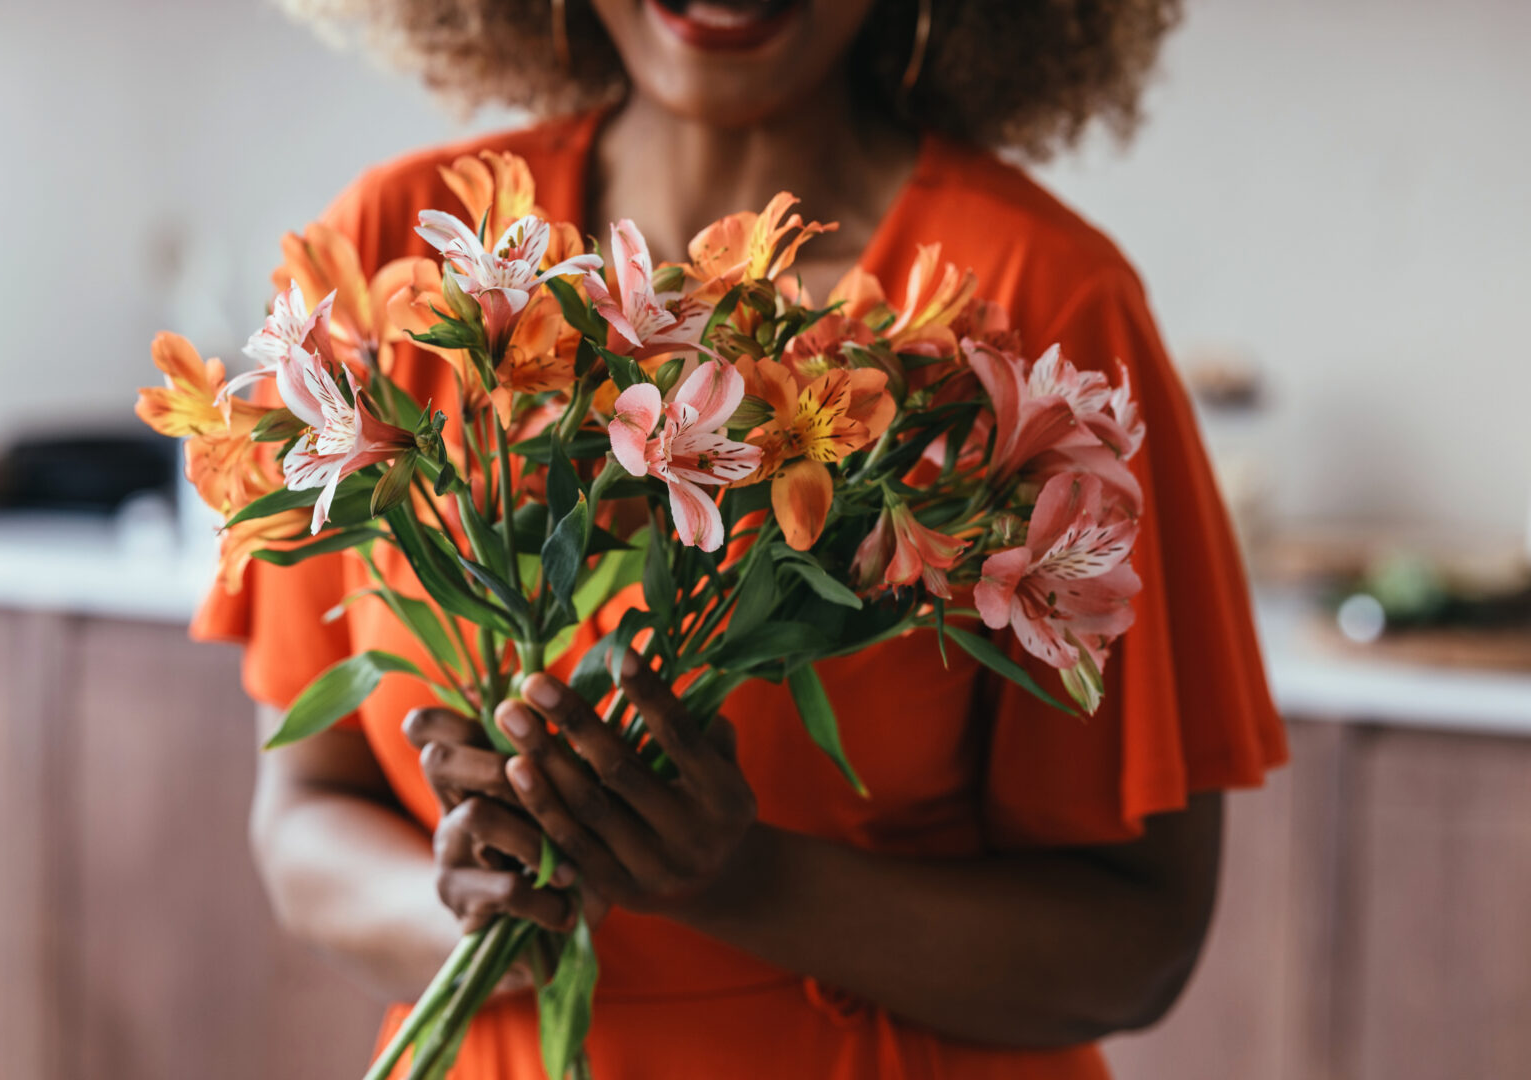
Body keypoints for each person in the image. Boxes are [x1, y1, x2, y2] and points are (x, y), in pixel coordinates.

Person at [196, 1, 1286, 1076]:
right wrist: (472, 907)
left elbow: (1139, 948)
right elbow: (301, 816)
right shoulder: (393, 252)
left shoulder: (1041, 299)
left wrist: (745, 884)